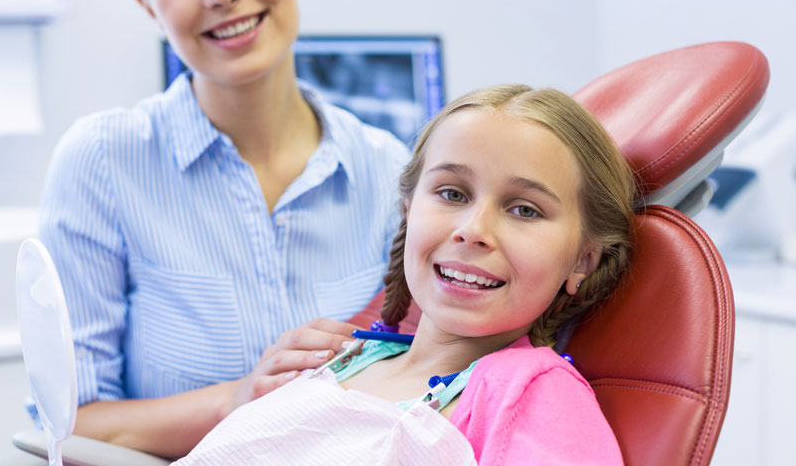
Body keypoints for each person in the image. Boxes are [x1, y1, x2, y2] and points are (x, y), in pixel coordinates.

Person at [36, 0, 409, 459]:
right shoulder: (101, 162)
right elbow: (66, 421)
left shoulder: (389, 171)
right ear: (147, 6)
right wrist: (235, 401)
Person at [175, 84, 636, 465]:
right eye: (453, 194)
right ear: (408, 210)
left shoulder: (534, 396)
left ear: (582, 261)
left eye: (524, 210)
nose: (472, 231)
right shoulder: (342, 359)